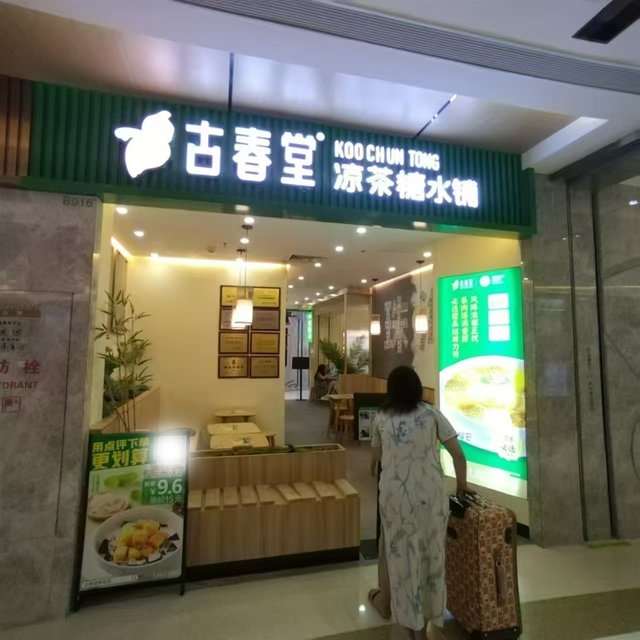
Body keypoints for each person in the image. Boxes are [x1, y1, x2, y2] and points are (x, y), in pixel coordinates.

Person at [368, 366, 471, 640]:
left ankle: (409, 624)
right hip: (430, 497)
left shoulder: (382, 417)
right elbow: (458, 455)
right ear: (417, 387)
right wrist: (462, 485)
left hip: (395, 499)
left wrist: (378, 469)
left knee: (401, 558)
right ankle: (426, 623)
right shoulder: (432, 414)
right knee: (431, 556)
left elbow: (375, 458)